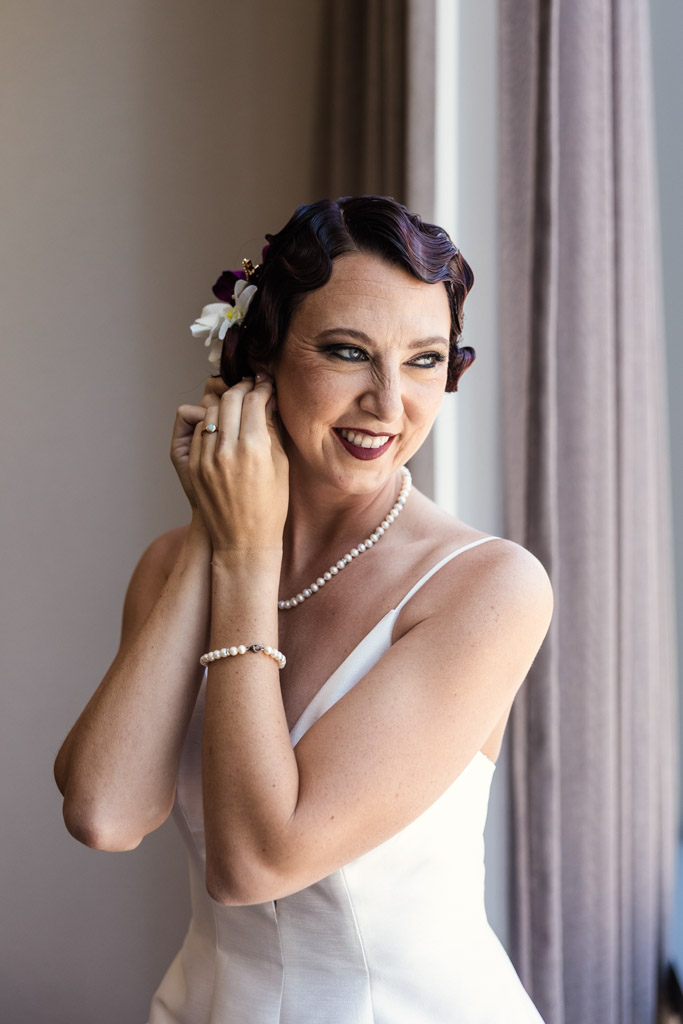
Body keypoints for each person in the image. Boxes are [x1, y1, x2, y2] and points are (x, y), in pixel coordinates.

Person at [54, 195, 553, 1023]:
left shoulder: (488, 589)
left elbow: (255, 863)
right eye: (348, 352)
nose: (388, 403)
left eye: (425, 360)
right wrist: (215, 540)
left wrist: (247, 560)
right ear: (258, 363)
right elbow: (104, 813)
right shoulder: (173, 565)